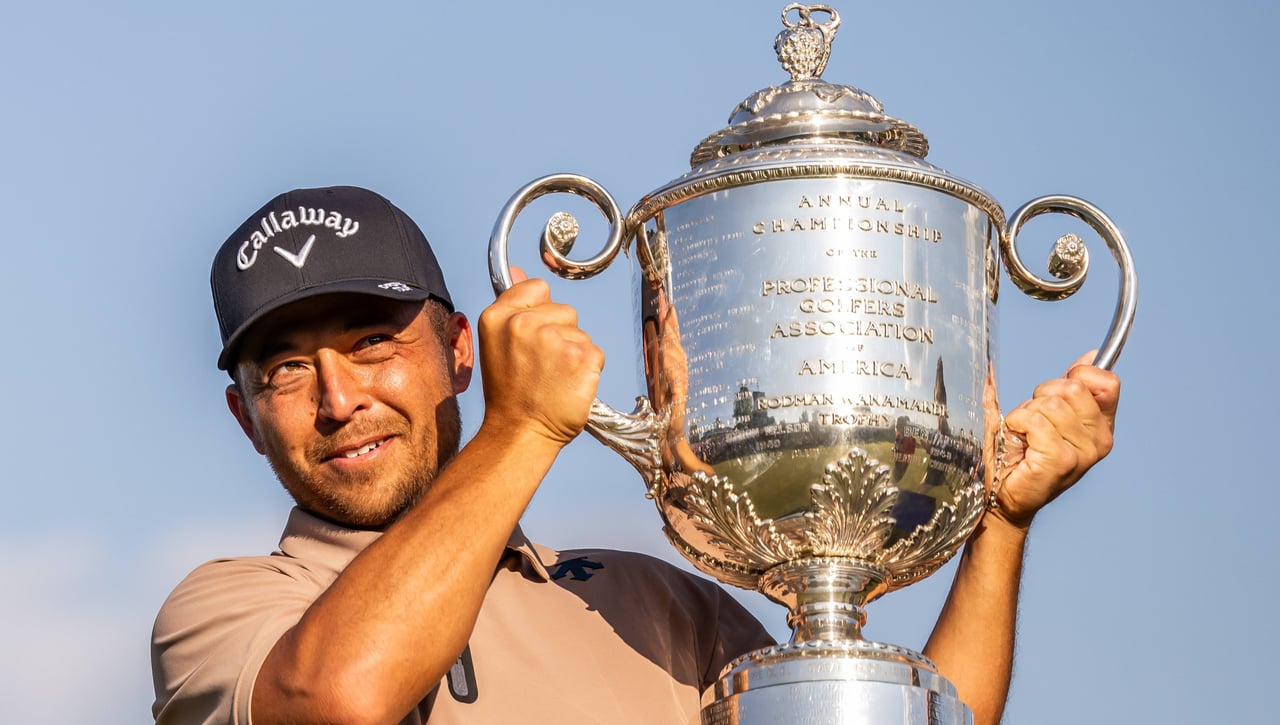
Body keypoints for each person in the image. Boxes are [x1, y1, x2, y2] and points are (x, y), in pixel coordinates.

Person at [151, 185, 1121, 725]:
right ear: (243, 415)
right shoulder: (230, 610)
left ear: (456, 353)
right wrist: (520, 428)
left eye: (371, 342)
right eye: (284, 369)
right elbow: (336, 701)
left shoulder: (645, 600)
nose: (337, 398)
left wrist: (998, 518)